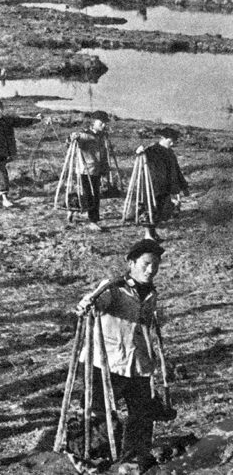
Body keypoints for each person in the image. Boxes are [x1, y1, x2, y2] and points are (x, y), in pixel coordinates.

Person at [74, 239, 174, 473]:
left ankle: (131, 460)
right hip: (105, 362)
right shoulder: (114, 288)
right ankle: (88, 459)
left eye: (155, 266)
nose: (151, 270)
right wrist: (88, 303)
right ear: (131, 263)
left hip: (137, 363)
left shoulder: (151, 294)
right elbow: (97, 302)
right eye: (146, 264)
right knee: (99, 414)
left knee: (142, 413)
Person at [138, 128, 190, 241]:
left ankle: (153, 233)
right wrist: (138, 152)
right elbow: (140, 158)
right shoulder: (152, 150)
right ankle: (148, 235)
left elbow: (177, 170)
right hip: (153, 186)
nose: (172, 144)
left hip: (166, 187)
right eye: (170, 141)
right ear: (163, 138)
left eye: (174, 141)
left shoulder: (170, 153)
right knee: (150, 210)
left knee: (162, 211)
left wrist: (184, 186)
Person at [69, 111, 110, 231]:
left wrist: (104, 169)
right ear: (93, 122)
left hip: (96, 170)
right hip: (85, 171)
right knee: (91, 195)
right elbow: (71, 140)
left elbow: (103, 154)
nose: (104, 125)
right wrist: (72, 137)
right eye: (101, 123)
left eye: (105, 123)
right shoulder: (85, 135)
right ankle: (93, 221)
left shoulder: (102, 136)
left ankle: (74, 210)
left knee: (92, 195)